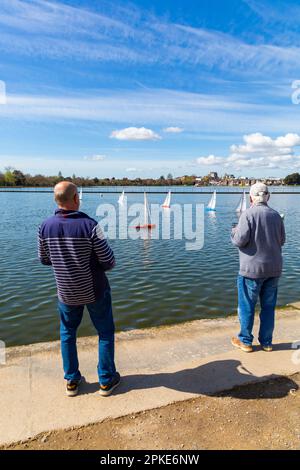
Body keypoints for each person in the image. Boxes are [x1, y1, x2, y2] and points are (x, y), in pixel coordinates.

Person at [38, 181, 120, 397]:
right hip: (95, 290)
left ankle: (72, 381)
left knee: (67, 334)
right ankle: (106, 380)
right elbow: (109, 261)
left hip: (65, 291)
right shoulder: (91, 225)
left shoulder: (44, 227)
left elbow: (44, 259)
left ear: (56, 200)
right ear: (76, 199)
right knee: (104, 332)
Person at [231, 182, 285, 353]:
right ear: (268, 196)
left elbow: (239, 240)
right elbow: (282, 240)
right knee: (268, 307)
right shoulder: (276, 215)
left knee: (247, 306)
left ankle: (246, 341)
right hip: (274, 269)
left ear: (251, 197)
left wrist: (233, 231)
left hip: (251, 270)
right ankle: (267, 342)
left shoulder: (248, 215)